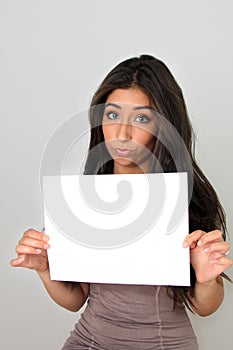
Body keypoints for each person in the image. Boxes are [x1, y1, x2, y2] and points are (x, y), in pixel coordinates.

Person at [10, 55, 233, 349]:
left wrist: (205, 279)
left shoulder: (189, 198)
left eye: (141, 118)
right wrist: (46, 270)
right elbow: (76, 299)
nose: (122, 134)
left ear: (164, 126)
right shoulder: (82, 198)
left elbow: (205, 307)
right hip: (88, 342)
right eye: (113, 115)